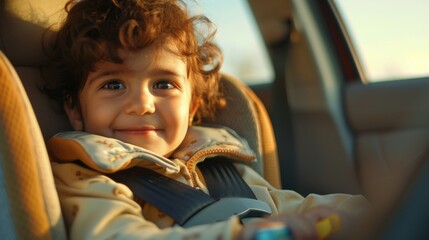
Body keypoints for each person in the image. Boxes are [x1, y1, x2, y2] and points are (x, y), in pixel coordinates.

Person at [44, 0, 369, 239]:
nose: (142, 104)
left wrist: (353, 213)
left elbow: (289, 206)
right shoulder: (84, 180)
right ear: (75, 110)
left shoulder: (225, 167)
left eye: (163, 84)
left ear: (192, 107)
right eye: (113, 84)